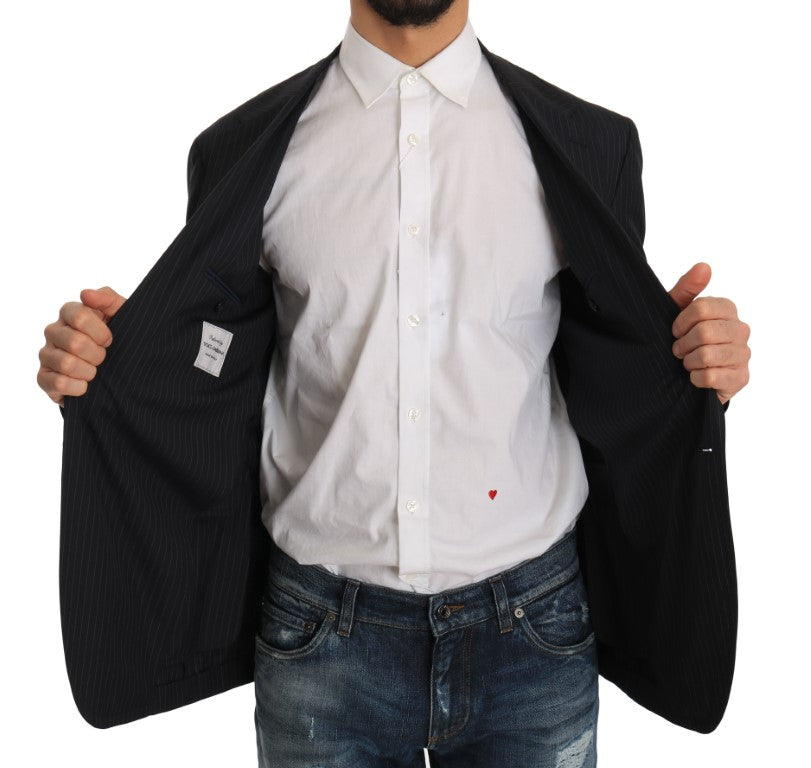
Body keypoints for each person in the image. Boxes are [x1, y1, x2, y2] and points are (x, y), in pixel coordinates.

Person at [37, 1, 751, 765]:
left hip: (533, 634)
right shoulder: (239, 150)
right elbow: (212, 360)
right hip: (318, 638)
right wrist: (117, 367)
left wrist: (697, 363)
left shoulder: (591, 145)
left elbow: (616, 362)